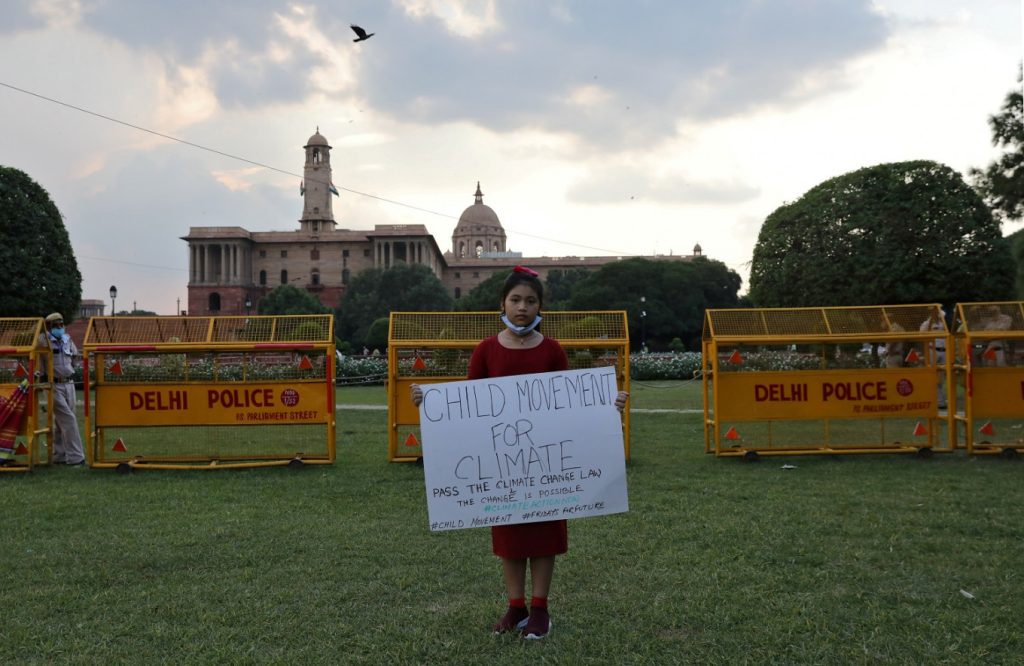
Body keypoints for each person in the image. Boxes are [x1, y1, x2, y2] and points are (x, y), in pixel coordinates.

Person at [411, 266, 628, 640]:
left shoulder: (552, 350)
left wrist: (608, 407)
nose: (522, 307)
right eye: (515, 300)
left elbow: (571, 404)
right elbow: (467, 406)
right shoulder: (486, 350)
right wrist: (428, 402)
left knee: (545, 535)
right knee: (510, 538)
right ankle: (516, 607)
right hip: (502, 469)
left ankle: (540, 609)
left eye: (530, 301)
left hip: (546, 466)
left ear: (540, 306)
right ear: (502, 304)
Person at [38, 312, 85, 466]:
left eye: (61, 324)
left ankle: (59, 455)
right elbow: (39, 365)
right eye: (56, 325)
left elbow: (75, 356)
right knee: (68, 419)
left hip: (69, 383)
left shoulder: (67, 339)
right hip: (53, 385)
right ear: (49, 327)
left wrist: (70, 369)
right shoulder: (43, 341)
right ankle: (76, 457)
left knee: (62, 421)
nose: (59, 327)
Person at [919, 309, 947, 409]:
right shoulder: (926, 324)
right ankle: (939, 402)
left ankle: (939, 400)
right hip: (932, 350)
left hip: (944, 351)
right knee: (932, 376)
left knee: (941, 378)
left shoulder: (943, 324)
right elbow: (922, 337)